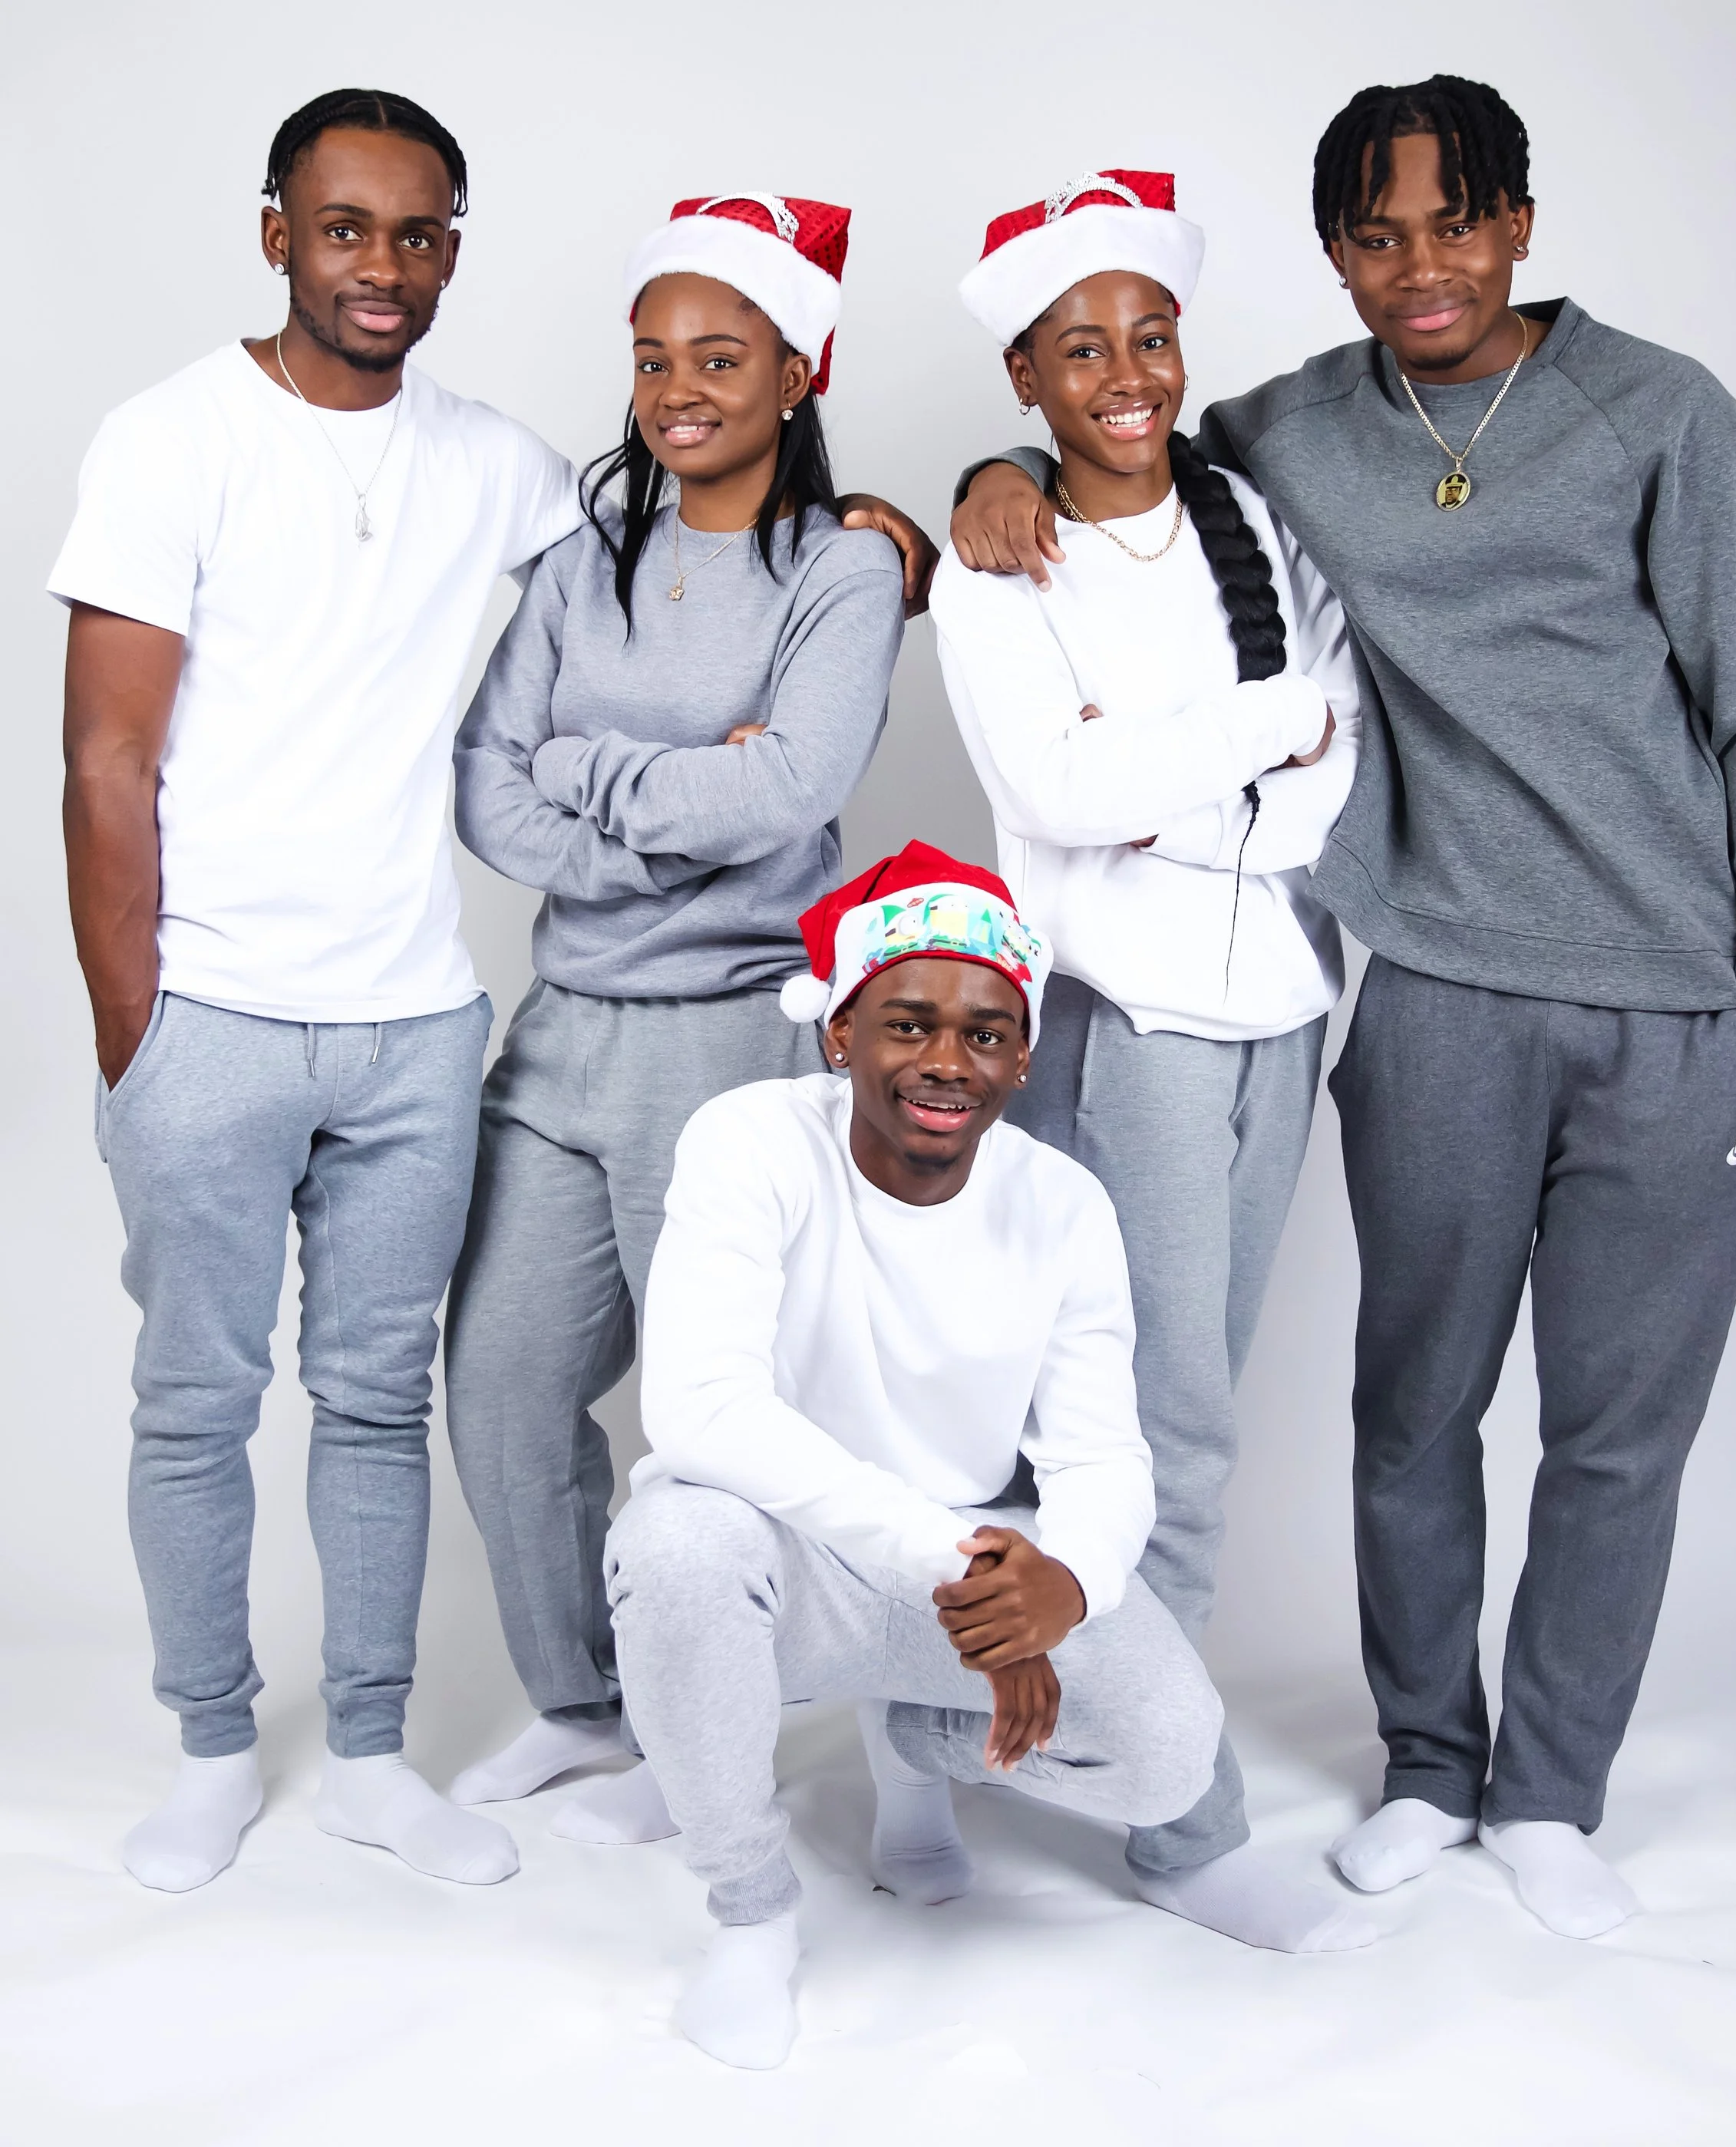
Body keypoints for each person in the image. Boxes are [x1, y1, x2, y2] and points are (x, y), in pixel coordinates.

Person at [950, 78, 1736, 1939]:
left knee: (1612, 1431)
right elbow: (1130, 451)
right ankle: (1430, 1764)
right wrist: (989, 481)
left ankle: (1551, 1798)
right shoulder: (1286, 435)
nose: (1418, 268)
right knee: (1411, 1412)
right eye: (1373, 235)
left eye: (1453, 223)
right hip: (1432, 992)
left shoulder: (1664, 416)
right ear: (1333, 255)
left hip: (1678, 1008)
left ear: (1516, 219)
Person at [51, 88, 583, 1892]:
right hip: (210, 1013)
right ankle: (211, 1742)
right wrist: (142, 1045)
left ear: (451, 253)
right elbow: (105, 767)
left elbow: (694, 528)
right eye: (345, 226)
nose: (383, 264)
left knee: (374, 1399)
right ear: (275, 231)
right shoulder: (169, 439)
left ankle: (366, 1751)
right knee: (195, 1400)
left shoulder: (497, 463)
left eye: (419, 233)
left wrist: (907, 522)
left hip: (415, 1023)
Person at [928, 171, 1369, 1954]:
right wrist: (1247, 745)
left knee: (1184, 1400)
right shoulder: (996, 555)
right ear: (1025, 379)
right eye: (1081, 349)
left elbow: (1332, 761)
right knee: (1145, 1424)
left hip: (1279, 1004)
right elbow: (1063, 796)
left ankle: (996, 1731)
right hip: (1130, 1029)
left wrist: (1187, 778)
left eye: (1151, 333)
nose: (1126, 373)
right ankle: (1180, 1822)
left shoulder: (1252, 520)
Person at [442, 194, 906, 1845]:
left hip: (726, 1038)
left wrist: (594, 778)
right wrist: (658, 807)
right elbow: (487, 785)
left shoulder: (845, 567)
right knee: (501, 1383)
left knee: (706, 1419)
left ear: (797, 369)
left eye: (719, 357)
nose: (676, 391)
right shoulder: (580, 564)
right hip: (562, 1025)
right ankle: (586, 1712)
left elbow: (789, 792)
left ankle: (696, 1746)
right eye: (652, 360)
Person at [606, 843, 1226, 2067]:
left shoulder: (1063, 1206)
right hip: (801, 1557)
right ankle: (750, 1909)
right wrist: (965, 1562)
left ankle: (920, 1742)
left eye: (988, 1034)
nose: (949, 1061)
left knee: (1170, 1755)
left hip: (976, 1568)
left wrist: (1067, 1587)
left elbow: (1105, 1456)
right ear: (840, 1033)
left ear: (1024, 1056)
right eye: (910, 1023)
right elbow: (699, 1408)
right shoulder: (748, 1141)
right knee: (677, 1544)